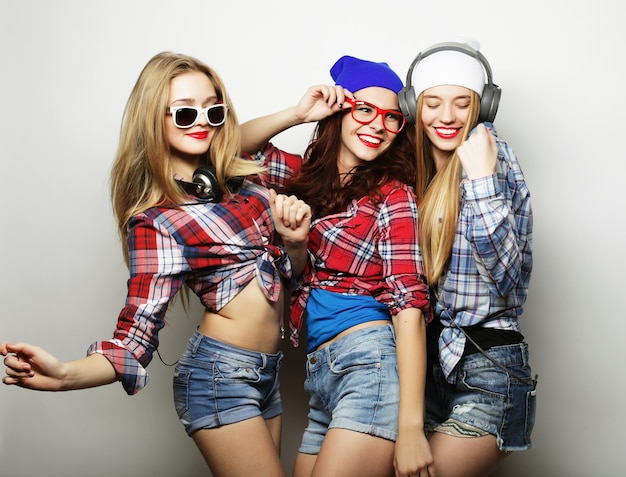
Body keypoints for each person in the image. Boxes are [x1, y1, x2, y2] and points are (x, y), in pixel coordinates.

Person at [0, 51, 312, 477]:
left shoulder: (245, 178)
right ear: (154, 119)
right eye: (184, 113)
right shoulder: (157, 221)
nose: (202, 120)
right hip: (221, 378)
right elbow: (135, 337)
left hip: (268, 370)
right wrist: (65, 374)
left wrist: (296, 115)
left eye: (212, 109)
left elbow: (258, 152)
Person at [241, 56, 435, 477]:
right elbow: (229, 149)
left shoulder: (394, 196)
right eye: (364, 109)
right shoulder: (303, 179)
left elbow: (409, 309)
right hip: (321, 373)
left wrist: (411, 428)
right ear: (340, 113)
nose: (378, 126)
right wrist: (296, 113)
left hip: (371, 367)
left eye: (392, 118)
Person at [397, 39, 536, 477]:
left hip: (489, 370)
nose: (447, 117)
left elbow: (508, 279)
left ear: (482, 106)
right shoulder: (419, 169)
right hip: (437, 368)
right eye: (433, 103)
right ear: (414, 106)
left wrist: (480, 182)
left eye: (462, 103)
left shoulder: (491, 157)